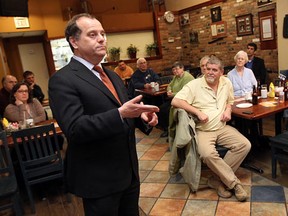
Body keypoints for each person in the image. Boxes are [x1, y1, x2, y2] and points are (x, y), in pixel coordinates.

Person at [48, 13, 159, 215]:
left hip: (129, 173)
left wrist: (143, 119)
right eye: (92, 34)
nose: (101, 39)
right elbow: (75, 129)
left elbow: (127, 111)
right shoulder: (62, 80)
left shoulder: (112, 75)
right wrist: (120, 114)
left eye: (103, 33)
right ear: (74, 41)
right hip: (99, 179)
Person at [171, 56, 251, 202]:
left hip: (222, 127)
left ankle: (217, 180)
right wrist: (197, 112)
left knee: (244, 145)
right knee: (207, 154)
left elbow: (230, 101)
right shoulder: (194, 85)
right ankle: (234, 184)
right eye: (208, 69)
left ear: (221, 72)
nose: (210, 72)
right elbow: (175, 100)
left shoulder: (226, 82)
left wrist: (228, 111)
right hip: (203, 130)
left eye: (214, 70)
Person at [158, 61, 194, 137]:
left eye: (177, 69)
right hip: (174, 99)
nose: (175, 71)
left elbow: (185, 92)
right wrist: (169, 90)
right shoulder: (176, 77)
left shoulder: (187, 77)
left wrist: (172, 94)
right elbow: (169, 85)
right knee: (161, 108)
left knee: (166, 110)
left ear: (182, 69)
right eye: (173, 70)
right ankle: (166, 129)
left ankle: (172, 130)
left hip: (184, 101)